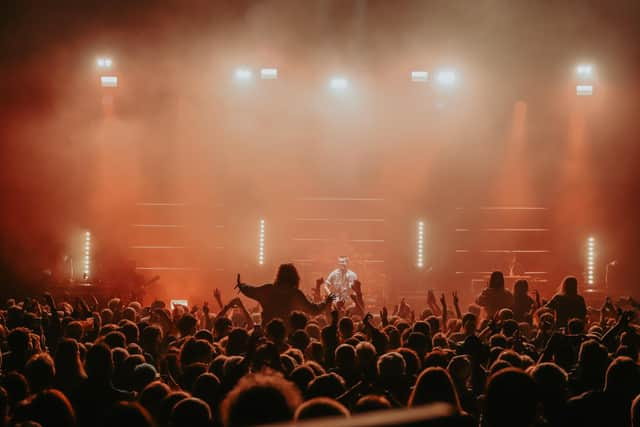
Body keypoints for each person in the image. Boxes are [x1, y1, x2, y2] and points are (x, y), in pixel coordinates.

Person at [237, 264, 331, 325]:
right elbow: (313, 310)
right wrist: (326, 302)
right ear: (295, 277)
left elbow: (251, 291)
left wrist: (242, 285)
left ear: (279, 275)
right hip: (285, 335)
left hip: (267, 333)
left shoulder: (268, 289)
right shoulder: (295, 294)